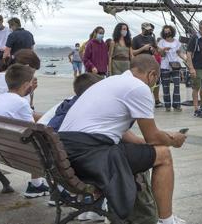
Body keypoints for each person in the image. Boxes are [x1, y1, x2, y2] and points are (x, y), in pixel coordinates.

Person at [58, 55, 187, 224]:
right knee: (164, 155)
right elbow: (153, 136)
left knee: (145, 152)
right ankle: (166, 221)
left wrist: (149, 144)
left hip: (66, 154)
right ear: (152, 75)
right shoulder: (138, 87)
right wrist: (173, 140)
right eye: (156, 80)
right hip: (88, 155)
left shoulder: (109, 82)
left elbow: (124, 134)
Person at [0, 64, 49, 197]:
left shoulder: (1, 97)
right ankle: (39, 185)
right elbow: (35, 131)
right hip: (17, 152)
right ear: (26, 84)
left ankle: (37, 184)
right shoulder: (21, 102)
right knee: (44, 142)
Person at [0, 49, 41, 113]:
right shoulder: (17, 81)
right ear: (27, 67)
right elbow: (27, 112)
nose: (32, 76)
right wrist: (28, 90)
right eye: (32, 72)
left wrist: (30, 91)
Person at [157, 25, 187, 111]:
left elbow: (180, 53)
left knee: (177, 85)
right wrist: (163, 50)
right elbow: (161, 54)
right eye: (165, 31)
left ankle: (176, 105)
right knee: (165, 87)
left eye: (168, 31)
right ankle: (167, 105)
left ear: (172, 32)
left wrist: (186, 59)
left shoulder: (177, 42)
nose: (167, 33)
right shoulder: (161, 42)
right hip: (165, 66)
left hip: (175, 66)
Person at [132, 22, 162, 106]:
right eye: (147, 30)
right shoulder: (136, 39)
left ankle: (150, 100)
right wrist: (143, 48)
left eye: (150, 30)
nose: (149, 32)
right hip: (140, 63)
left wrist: (153, 50)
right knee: (141, 82)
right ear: (142, 29)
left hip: (150, 62)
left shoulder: (151, 38)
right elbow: (133, 52)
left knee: (152, 82)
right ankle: (139, 101)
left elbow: (156, 51)